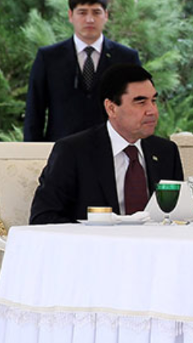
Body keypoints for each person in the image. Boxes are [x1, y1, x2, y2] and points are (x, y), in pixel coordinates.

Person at [30, 64, 183, 224]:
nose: (152, 111)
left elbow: (177, 216)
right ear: (111, 108)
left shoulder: (166, 152)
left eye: (153, 101)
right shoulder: (73, 151)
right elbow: (42, 218)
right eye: (141, 102)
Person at [23, 0, 141, 142]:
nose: (89, 19)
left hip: (112, 147)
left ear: (106, 15)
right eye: (82, 12)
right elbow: (34, 111)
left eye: (96, 12)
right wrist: (32, 150)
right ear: (70, 15)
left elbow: (139, 107)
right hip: (61, 148)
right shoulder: (49, 58)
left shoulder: (126, 58)